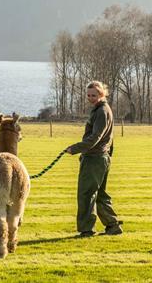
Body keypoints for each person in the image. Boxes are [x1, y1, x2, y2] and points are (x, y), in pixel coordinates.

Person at [66, 81, 123, 238]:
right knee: (100, 194)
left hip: (95, 159)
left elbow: (96, 137)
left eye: (94, 95)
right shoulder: (101, 110)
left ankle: (86, 230)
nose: (91, 98)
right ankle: (113, 225)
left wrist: (76, 148)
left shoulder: (102, 111)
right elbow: (109, 138)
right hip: (100, 158)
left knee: (86, 193)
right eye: (89, 95)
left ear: (102, 94)